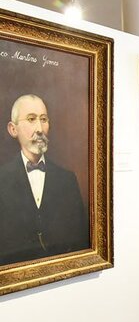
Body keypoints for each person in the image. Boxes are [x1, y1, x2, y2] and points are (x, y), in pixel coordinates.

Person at [0, 94, 89, 265]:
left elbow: (79, 239)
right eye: (31, 119)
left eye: (43, 119)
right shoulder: (2, 180)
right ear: (13, 129)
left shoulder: (67, 180)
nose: (40, 128)